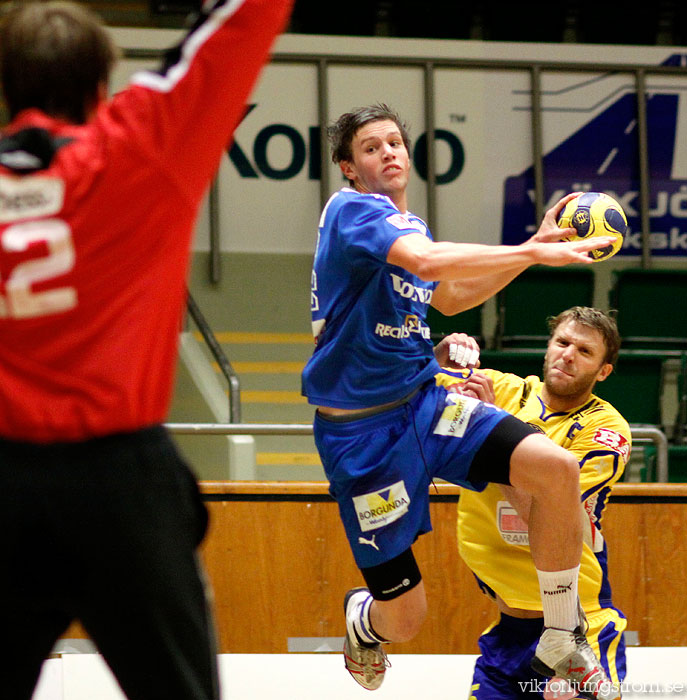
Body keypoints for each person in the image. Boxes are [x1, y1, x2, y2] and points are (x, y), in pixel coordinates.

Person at [0, 0, 292, 698]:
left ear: (7, 89)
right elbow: (243, 20)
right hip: (121, 490)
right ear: (102, 87)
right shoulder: (141, 144)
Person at [301, 103, 620, 700]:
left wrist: (528, 249)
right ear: (348, 167)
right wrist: (533, 252)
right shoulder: (351, 212)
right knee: (406, 619)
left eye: (395, 141)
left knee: (556, 469)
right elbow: (426, 263)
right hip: (363, 439)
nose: (389, 152)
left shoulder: (408, 225)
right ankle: (362, 621)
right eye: (371, 148)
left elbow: (446, 295)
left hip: (425, 404)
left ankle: (561, 635)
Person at [437, 307, 629, 699]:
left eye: (584, 351)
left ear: (603, 371)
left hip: (579, 628)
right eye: (562, 342)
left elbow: (544, 511)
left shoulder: (606, 430)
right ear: (547, 348)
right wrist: (437, 355)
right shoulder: (504, 388)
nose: (568, 355)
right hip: (507, 634)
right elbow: (401, 380)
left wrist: (492, 429)